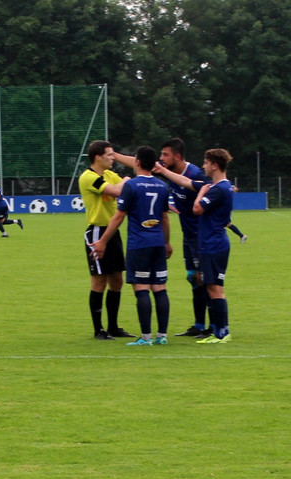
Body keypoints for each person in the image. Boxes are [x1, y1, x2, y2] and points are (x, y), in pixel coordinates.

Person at [91, 146, 173, 345]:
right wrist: (167, 242)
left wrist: (102, 241)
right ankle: (162, 336)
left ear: (137, 162)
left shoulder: (132, 186)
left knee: (141, 287)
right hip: (157, 244)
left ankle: (145, 337)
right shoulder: (162, 186)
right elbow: (165, 219)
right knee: (160, 288)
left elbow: (119, 216)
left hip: (139, 244)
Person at [156, 148, 235, 344]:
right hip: (212, 242)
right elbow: (185, 182)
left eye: (206, 163)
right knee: (211, 286)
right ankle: (219, 331)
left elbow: (197, 208)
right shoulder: (220, 186)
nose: (203, 166)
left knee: (215, 289)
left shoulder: (218, 189)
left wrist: (201, 192)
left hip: (213, 243)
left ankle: (221, 333)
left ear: (215, 165)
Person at [78, 140, 136, 341]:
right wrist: (126, 179)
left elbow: (124, 187)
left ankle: (113, 327)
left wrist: (124, 181)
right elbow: (117, 191)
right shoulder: (88, 177)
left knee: (117, 280)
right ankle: (98, 330)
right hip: (97, 232)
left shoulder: (110, 175)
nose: (113, 158)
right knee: (99, 281)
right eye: (110, 155)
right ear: (98, 157)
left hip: (113, 232)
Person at [156, 137, 213, 338]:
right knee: (192, 277)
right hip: (188, 234)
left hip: (201, 235)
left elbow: (211, 189)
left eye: (165, 155)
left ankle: (214, 327)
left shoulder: (194, 173)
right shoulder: (170, 174)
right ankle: (198, 325)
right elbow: (139, 161)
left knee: (204, 278)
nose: (161, 158)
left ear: (177, 156)